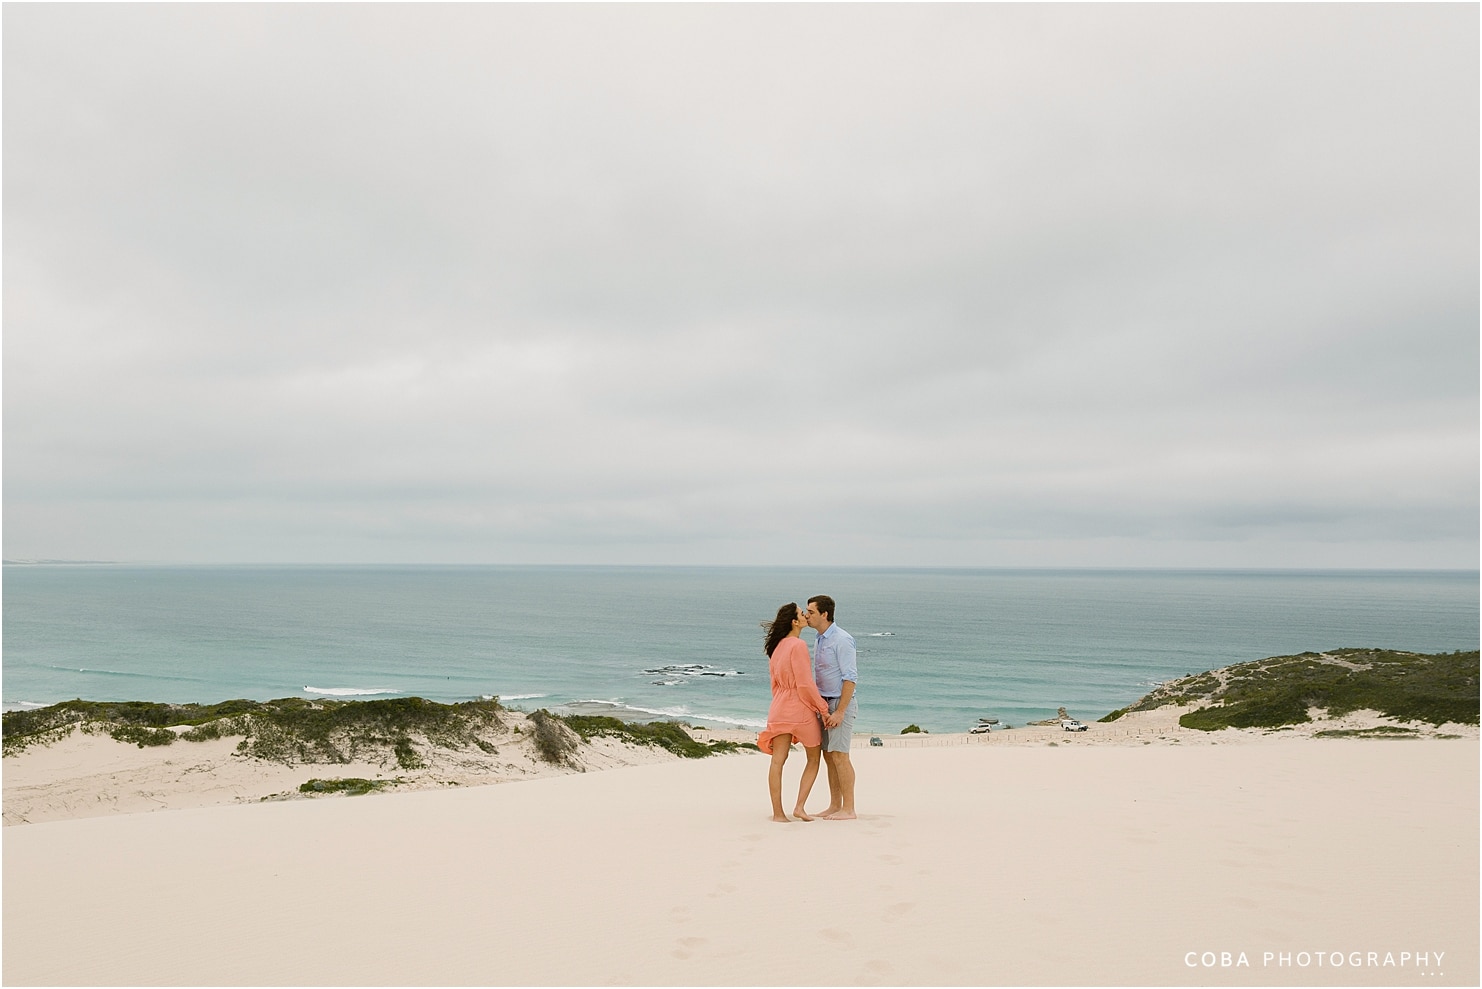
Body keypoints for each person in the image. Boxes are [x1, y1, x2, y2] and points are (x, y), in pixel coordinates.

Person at [756, 602, 830, 823]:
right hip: (800, 710)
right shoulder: (797, 645)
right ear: (794, 622)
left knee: (777, 761)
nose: (805, 615)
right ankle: (799, 807)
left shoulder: (776, 647)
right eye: (801, 614)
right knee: (813, 759)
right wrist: (823, 709)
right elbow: (805, 685)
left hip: (779, 707)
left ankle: (778, 813)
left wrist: (780, 703)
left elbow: (775, 685)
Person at [805, 594, 857, 820]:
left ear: (824, 614)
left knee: (840, 756)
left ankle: (849, 809)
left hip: (838, 703)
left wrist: (840, 711)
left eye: (811, 612)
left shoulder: (842, 639)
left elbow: (850, 678)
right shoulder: (819, 638)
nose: (807, 615)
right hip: (824, 704)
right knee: (828, 755)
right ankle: (835, 805)